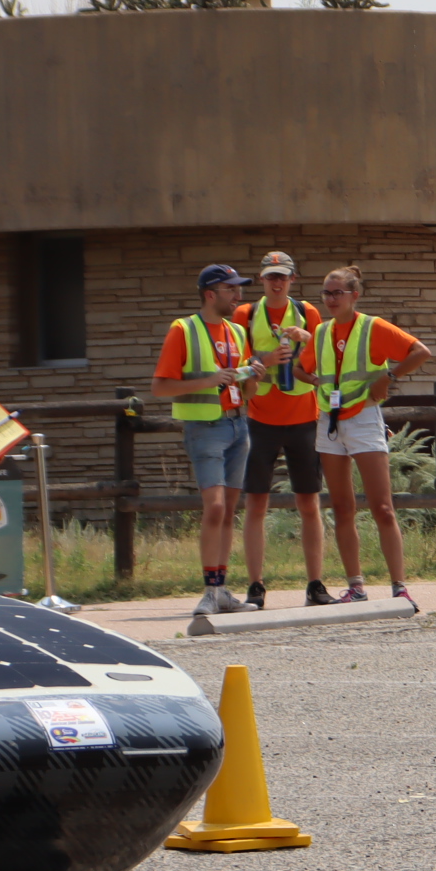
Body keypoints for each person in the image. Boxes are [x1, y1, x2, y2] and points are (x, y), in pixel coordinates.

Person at [294, 264, 431, 606]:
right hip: (329, 421)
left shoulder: (372, 327)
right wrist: (313, 380)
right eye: (326, 293)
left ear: (354, 295)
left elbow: (420, 352)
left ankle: (399, 587)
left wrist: (389, 377)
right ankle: (356, 587)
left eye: (337, 293)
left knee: (383, 507)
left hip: (364, 417)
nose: (331, 299)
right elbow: (299, 368)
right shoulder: (321, 332)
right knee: (342, 508)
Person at [151, 264, 259, 616]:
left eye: (239, 288)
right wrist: (210, 380)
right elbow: (159, 387)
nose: (238, 295)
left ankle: (222, 590)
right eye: (231, 289)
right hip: (205, 428)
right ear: (210, 294)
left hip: (239, 425)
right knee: (214, 507)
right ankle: (210, 591)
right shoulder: (183, 329)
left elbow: (247, 390)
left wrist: (254, 375)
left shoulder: (237, 332)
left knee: (228, 511)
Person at [231, 250, 330, 608]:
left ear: (292, 279)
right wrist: (264, 360)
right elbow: (236, 368)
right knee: (256, 503)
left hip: (303, 417)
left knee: (309, 503)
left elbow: (326, 358)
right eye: (271, 276)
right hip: (259, 420)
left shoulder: (307, 312)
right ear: (261, 279)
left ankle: (315, 584)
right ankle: (255, 586)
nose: (277, 282)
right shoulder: (245, 314)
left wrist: (308, 337)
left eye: (283, 276)